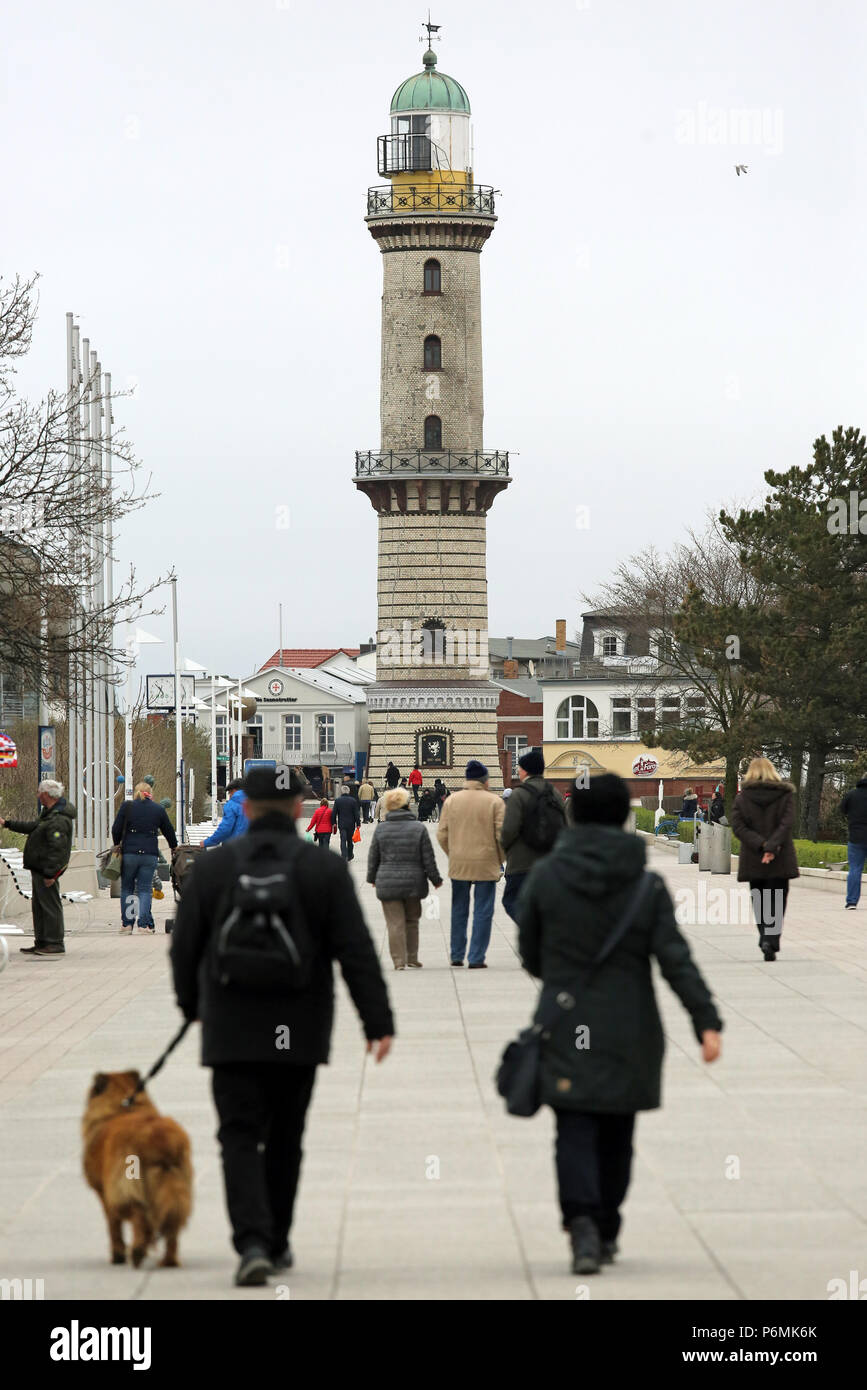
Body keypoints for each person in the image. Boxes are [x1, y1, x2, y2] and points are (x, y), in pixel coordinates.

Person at [170, 766, 394, 1286]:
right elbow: (355, 950)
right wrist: (377, 1021)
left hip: (230, 1024)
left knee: (239, 1134)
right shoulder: (321, 868)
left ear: (245, 809)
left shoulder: (213, 869)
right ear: (298, 808)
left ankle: (251, 1241)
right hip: (300, 1024)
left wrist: (191, 1007)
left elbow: (184, 949)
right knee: (287, 1135)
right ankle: (278, 1238)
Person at [515, 772, 723, 1275]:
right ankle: (606, 1224)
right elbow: (675, 958)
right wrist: (706, 1021)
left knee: (573, 1125)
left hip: (566, 1020)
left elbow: (530, 952)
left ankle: (582, 1224)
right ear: (622, 817)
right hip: (631, 1025)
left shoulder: (546, 877)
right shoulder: (644, 883)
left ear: (575, 816)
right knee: (617, 1128)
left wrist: (561, 979)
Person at [437, 759, 505, 969]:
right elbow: (502, 836)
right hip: (486, 862)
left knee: (459, 908)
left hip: (459, 862)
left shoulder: (451, 800)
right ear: (485, 781)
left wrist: (453, 853)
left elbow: (442, 834)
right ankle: (476, 957)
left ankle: (457, 954)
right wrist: (499, 859)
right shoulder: (495, 801)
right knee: (483, 910)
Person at [730, 758, 798, 961]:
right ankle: (772, 938)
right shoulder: (785, 795)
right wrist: (772, 847)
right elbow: (787, 824)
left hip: (753, 857)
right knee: (777, 900)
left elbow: (738, 826)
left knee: (759, 900)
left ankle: (765, 937)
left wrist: (761, 846)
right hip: (780, 856)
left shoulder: (742, 798)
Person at [367, 788, 442, 969]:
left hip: (387, 881)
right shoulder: (419, 828)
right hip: (413, 883)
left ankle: (398, 961)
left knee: (394, 923)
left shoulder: (381, 829)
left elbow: (373, 857)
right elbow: (428, 858)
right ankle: (412, 957)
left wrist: (372, 878)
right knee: (412, 921)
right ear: (407, 805)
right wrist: (435, 879)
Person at [0, 779, 76, 957]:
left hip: (46, 871)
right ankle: (42, 941)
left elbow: (58, 848)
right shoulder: (48, 814)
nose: (37, 795)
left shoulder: (59, 818)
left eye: (39, 793)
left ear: (47, 795)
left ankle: (54, 943)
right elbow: (33, 827)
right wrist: (7, 823)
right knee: (40, 906)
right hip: (40, 868)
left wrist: (51, 873)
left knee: (49, 906)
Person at [500, 750, 566, 924]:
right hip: (549, 861)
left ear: (526, 770)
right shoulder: (554, 793)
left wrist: (505, 849)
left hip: (521, 863)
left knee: (510, 900)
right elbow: (565, 824)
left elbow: (508, 830)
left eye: (519, 768)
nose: (518, 771)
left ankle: (533, 931)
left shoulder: (519, 794)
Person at [112, 782, 178, 935]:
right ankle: (143, 925)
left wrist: (117, 844)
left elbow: (116, 829)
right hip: (149, 854)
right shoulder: (158, 809)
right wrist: (173, 847)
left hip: (129, 854)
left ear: (136, 792)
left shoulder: (127, 807)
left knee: (127, 888)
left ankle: (128, 924)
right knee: (144, 889)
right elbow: (168, 830)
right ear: (150, 793)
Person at [839, 772, 867, 909]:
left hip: (856, 837)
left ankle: (851, 902)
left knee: (855, 869)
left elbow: (842, 810)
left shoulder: (852, 794)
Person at [204, 779, 248, 846]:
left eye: (230, 793)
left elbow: (225, 829)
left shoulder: (232, 805)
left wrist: (207, 842)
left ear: (234, 790)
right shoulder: (256, 803)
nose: (230, 796)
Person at [331, 784, 361, 861]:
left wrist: (333, 822)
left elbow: (334, 813)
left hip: (342, 824)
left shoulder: (338, 800)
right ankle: (350, 855)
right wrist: (358, 823)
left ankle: (344, 855)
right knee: (350, 840)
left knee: (343, 840)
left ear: (341, 792)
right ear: (349, 792)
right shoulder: (353, 801)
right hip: (351, 824)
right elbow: (356, 813)